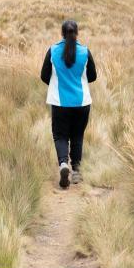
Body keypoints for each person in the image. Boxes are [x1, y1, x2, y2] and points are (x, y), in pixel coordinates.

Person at [40, 19, 97, 188]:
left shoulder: (52, 51)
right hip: (82, 103)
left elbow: (44, 76)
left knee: (60, 136)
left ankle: (63, 164)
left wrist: (57, 82)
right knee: (77, 136)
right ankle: (77, 171)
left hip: (59, 103)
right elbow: (93, 76)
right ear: (77, 33)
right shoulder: (85, 52)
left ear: (62, 33)